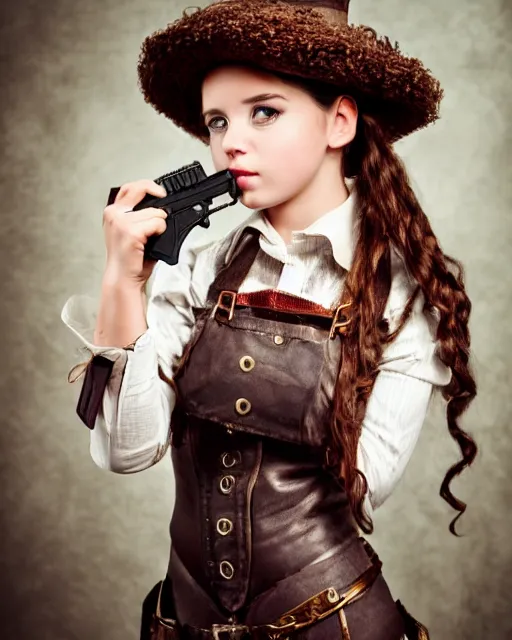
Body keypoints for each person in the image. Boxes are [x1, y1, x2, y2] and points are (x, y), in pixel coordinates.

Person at [61, 1, 478, 638]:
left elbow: (367, 482)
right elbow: (126, 450)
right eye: (217, 120)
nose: (232, 141)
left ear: (339, 120)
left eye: (264, 112)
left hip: (334, 621)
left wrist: (236, 363)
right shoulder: (196, 271)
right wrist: (124, 281)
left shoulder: (399, 294)